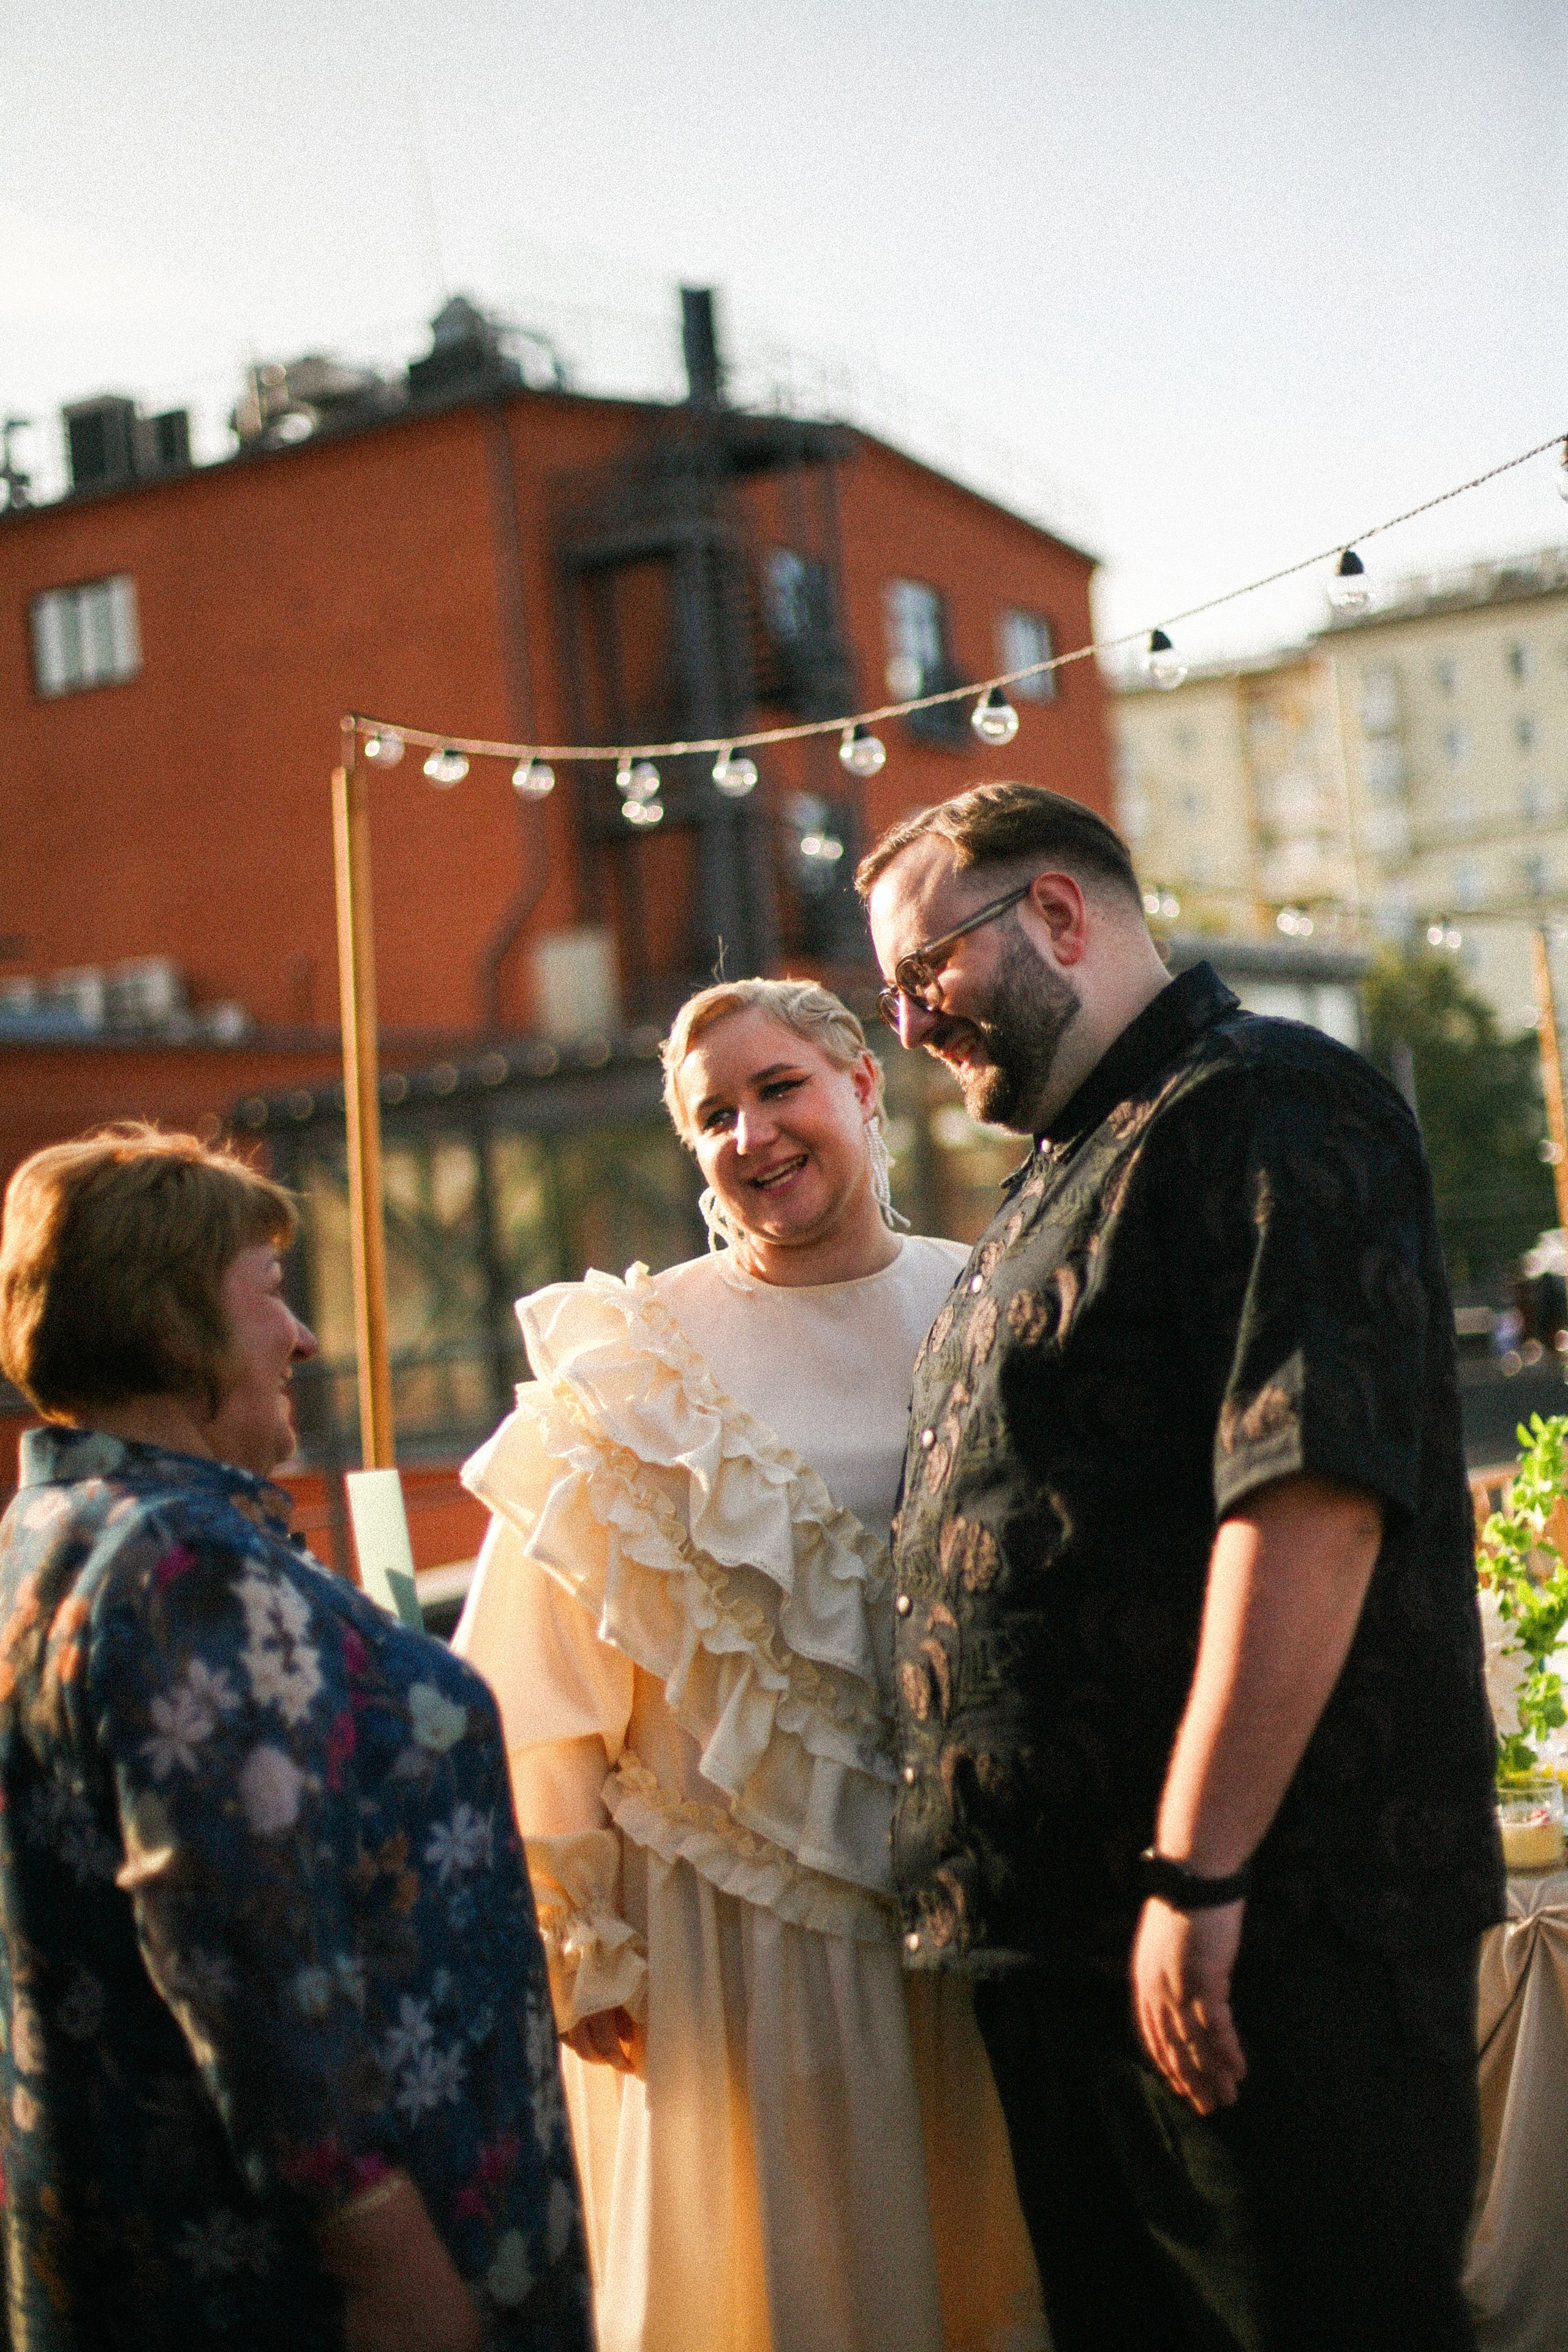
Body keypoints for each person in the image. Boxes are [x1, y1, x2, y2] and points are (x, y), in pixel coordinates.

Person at [858, 782, 1506, 2352]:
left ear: (1058, 917)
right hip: (1085, 1949)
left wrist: (1193, 1868)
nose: (903, 1019)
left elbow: (1308, 1494)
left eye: (922, 969)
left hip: (1264, 1941)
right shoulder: (1069, 1163)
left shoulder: (1267, 1104)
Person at [453, 978, 1046, 2352]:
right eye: (709, 1114)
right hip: (726, 1941)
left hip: (960, 1912)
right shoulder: (639, 1359)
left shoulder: (985, 1294)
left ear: (860, 1084)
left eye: (775, 1088)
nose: (748, 1133)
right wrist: (574, 1929)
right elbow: (531, 1673)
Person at [0, 1126, 590, 2352]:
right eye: (269, 1294)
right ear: (175, 1329)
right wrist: (383, 2256)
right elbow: (239, 1945)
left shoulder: (48, 1532)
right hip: (315, 2288)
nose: (304, 1338)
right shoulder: (180, 1567)